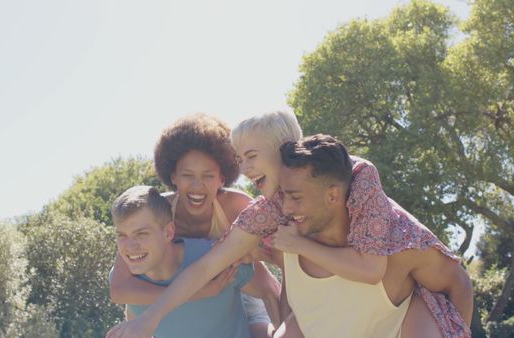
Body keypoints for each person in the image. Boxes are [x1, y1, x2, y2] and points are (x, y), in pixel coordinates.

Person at [106, 112, 470, 338]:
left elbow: (371, 268)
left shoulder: (354, 175)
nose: (245, 169)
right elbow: (204, 269)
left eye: (251, 156)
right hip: (330, 310)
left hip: (414, 296)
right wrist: (151, 319)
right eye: (240, 159)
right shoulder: (266, 209)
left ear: (284, 150)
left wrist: (296, 249)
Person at [274, 134, 473, 337]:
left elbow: (459, 284)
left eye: (296, 197)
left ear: (333, 195)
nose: (286, 207)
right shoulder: (287, 238)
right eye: (283, 195)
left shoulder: (399, 245)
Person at [109, 114, 280, 337]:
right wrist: (200, 292)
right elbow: (119, 288)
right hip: (168, 299)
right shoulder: (157, 212)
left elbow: (272, 271)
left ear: (222, 178)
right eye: (187, 175)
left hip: (235, 286)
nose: (197, 186)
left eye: (208, 176)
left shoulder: (237, 205)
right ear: (173, 177)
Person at [111, 185, 263, 338]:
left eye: (142, 233)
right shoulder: (129, 278)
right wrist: (200, 292)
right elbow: (132, 312)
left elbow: (268, 293)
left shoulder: (215, 258)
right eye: (122, 235)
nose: (130, 247)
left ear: (168, 232)